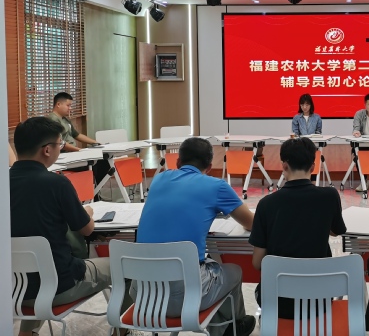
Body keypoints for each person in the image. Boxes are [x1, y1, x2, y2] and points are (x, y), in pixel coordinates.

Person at [133, 137, 256, 336]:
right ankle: (235, 327)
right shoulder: (216, 186)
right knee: (232, 272)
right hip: (183, 298)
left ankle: (225, 328)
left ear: (178, 162)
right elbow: (252, 224)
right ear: (209, 167)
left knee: (209, 271)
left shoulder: (159, 179)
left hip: (143, 295)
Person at [10, 117, 117, 336]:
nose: (60, 149)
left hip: (13, 289)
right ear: (47, 150)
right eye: (60, 144)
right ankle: (124, 332)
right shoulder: (56, 183)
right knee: (124, 266)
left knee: (38, 274)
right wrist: (87, 212)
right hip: (60, 285)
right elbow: (86, 229)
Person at [249, 137, 346, 319]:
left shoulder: (266, 204)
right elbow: (336, 230)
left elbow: (257, 263)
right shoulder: (329, 196)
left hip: (277, 302)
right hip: (319, 301)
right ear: (313, 166)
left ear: (284, 166)